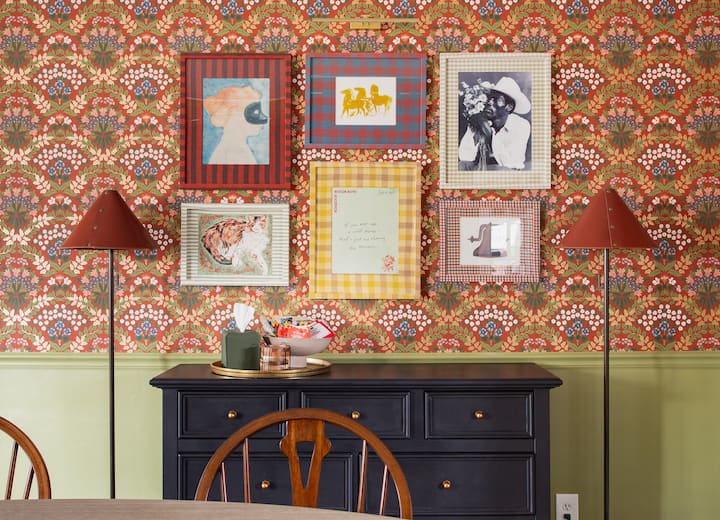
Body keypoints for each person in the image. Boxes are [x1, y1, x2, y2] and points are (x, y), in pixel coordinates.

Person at [458, 76, 531, 171]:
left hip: (510, 173)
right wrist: (479, 126)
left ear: (509, 107)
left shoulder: (521, 125)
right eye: (490, 98)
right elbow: (465, 160)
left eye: (497, 99)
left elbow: (510, 163)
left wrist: (488, 133)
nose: (490, 102)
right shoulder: (480, 120)